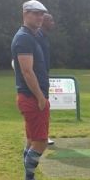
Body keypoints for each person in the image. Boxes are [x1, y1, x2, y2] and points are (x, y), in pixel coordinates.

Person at [12, 0, 51, 180]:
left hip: (33, 97)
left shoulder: (32, 36)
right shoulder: (24, 38)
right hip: (32, 98)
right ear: (25, 13)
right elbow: (27, 71)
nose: (40, 17)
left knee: (31, 141)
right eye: (36, 13)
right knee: (41, 141)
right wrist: (40, 97)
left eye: (42, 14)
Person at [39, 13, 56, 146]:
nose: (53, 23)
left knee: (44, 107)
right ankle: (41, 136)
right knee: (41, 107)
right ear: (43, 21)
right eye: (50, 20)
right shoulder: (37, 36)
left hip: (44, 77)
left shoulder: (44, 37)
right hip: (38, 78)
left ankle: (43, 135)